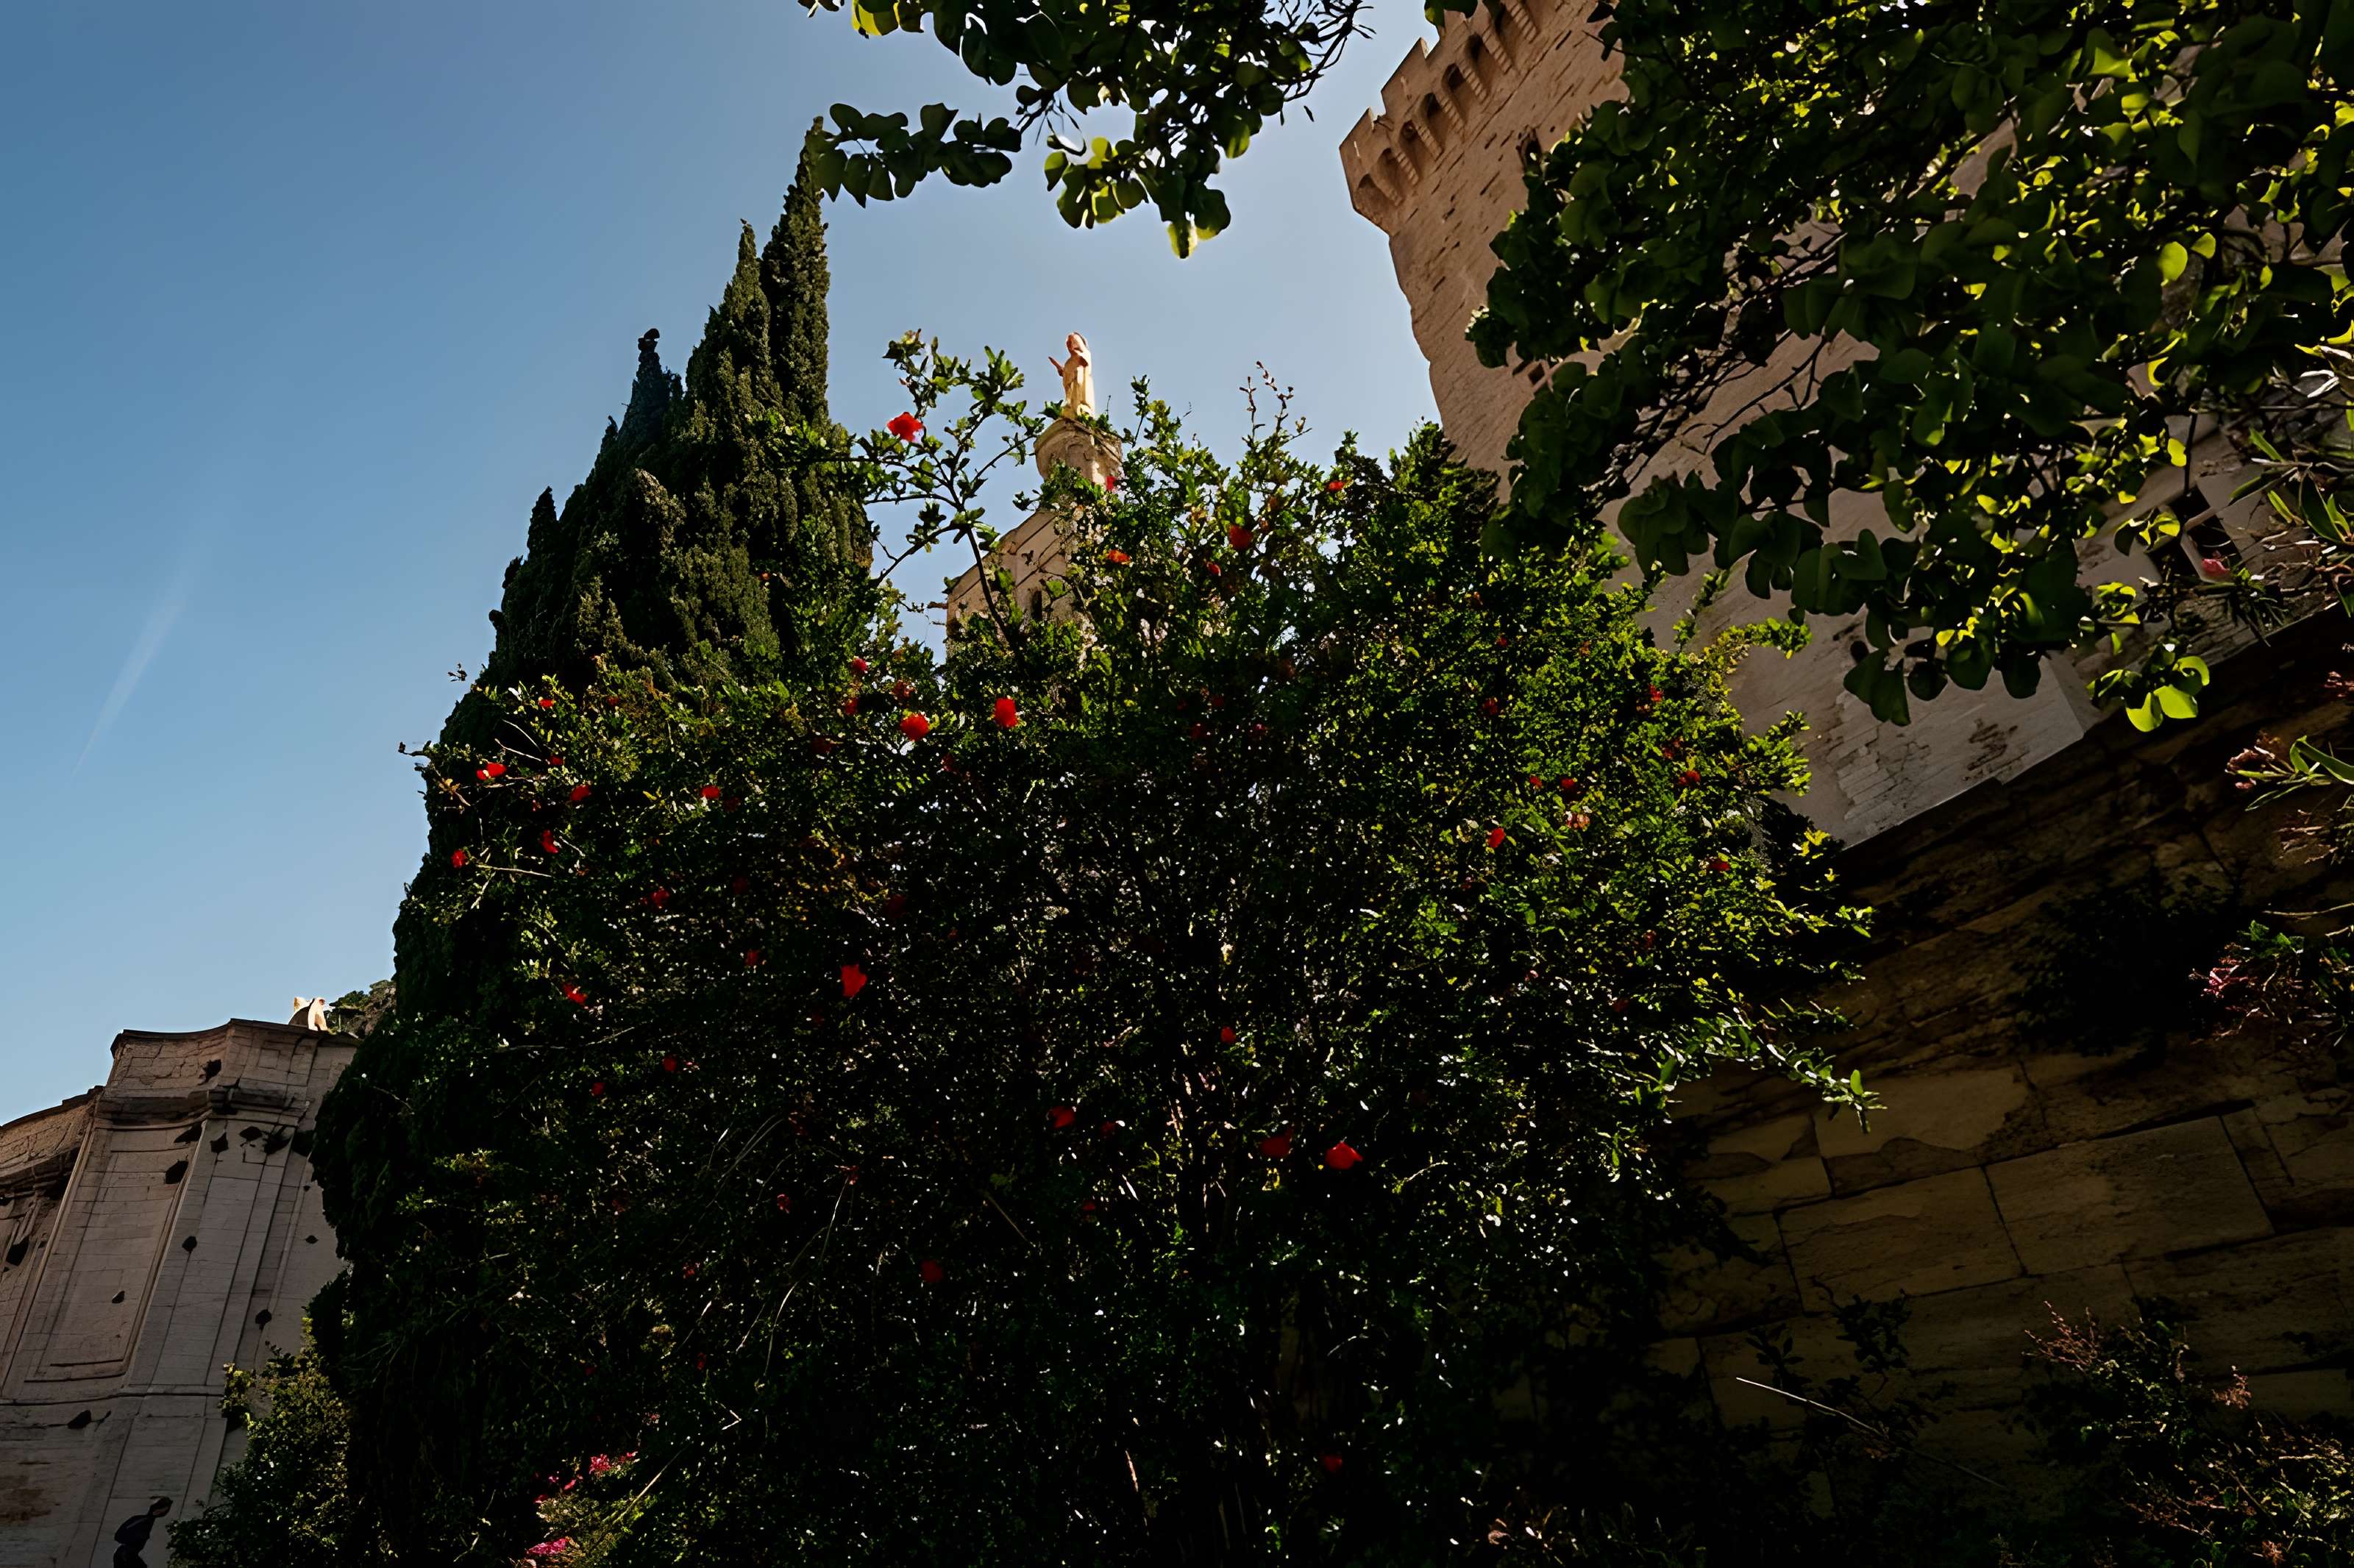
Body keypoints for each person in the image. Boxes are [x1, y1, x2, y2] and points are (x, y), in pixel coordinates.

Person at [113, 1497, 171, 1567]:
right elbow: (118, 1536)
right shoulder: (142, 1521)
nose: (160, 1513)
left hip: (126, 1553)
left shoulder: (145, 1521)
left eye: (162, 1512)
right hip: (126, 1554)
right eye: (160, 1511)